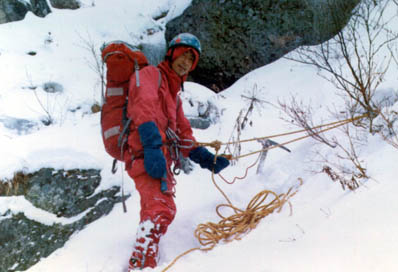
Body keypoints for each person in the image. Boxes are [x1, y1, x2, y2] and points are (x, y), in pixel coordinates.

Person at [125, 33, 230, 270]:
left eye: (190, 60)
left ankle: (144, 260)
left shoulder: (174, 97)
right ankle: (140, 264)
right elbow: (144, 108)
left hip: (160, 157)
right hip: (144, 153)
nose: (185, 62)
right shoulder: (150, 75)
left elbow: (183, 134)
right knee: (159, 209)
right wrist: (152, 147)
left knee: (163, 210)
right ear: (171, 54)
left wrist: (205, 158)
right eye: (183, 55)